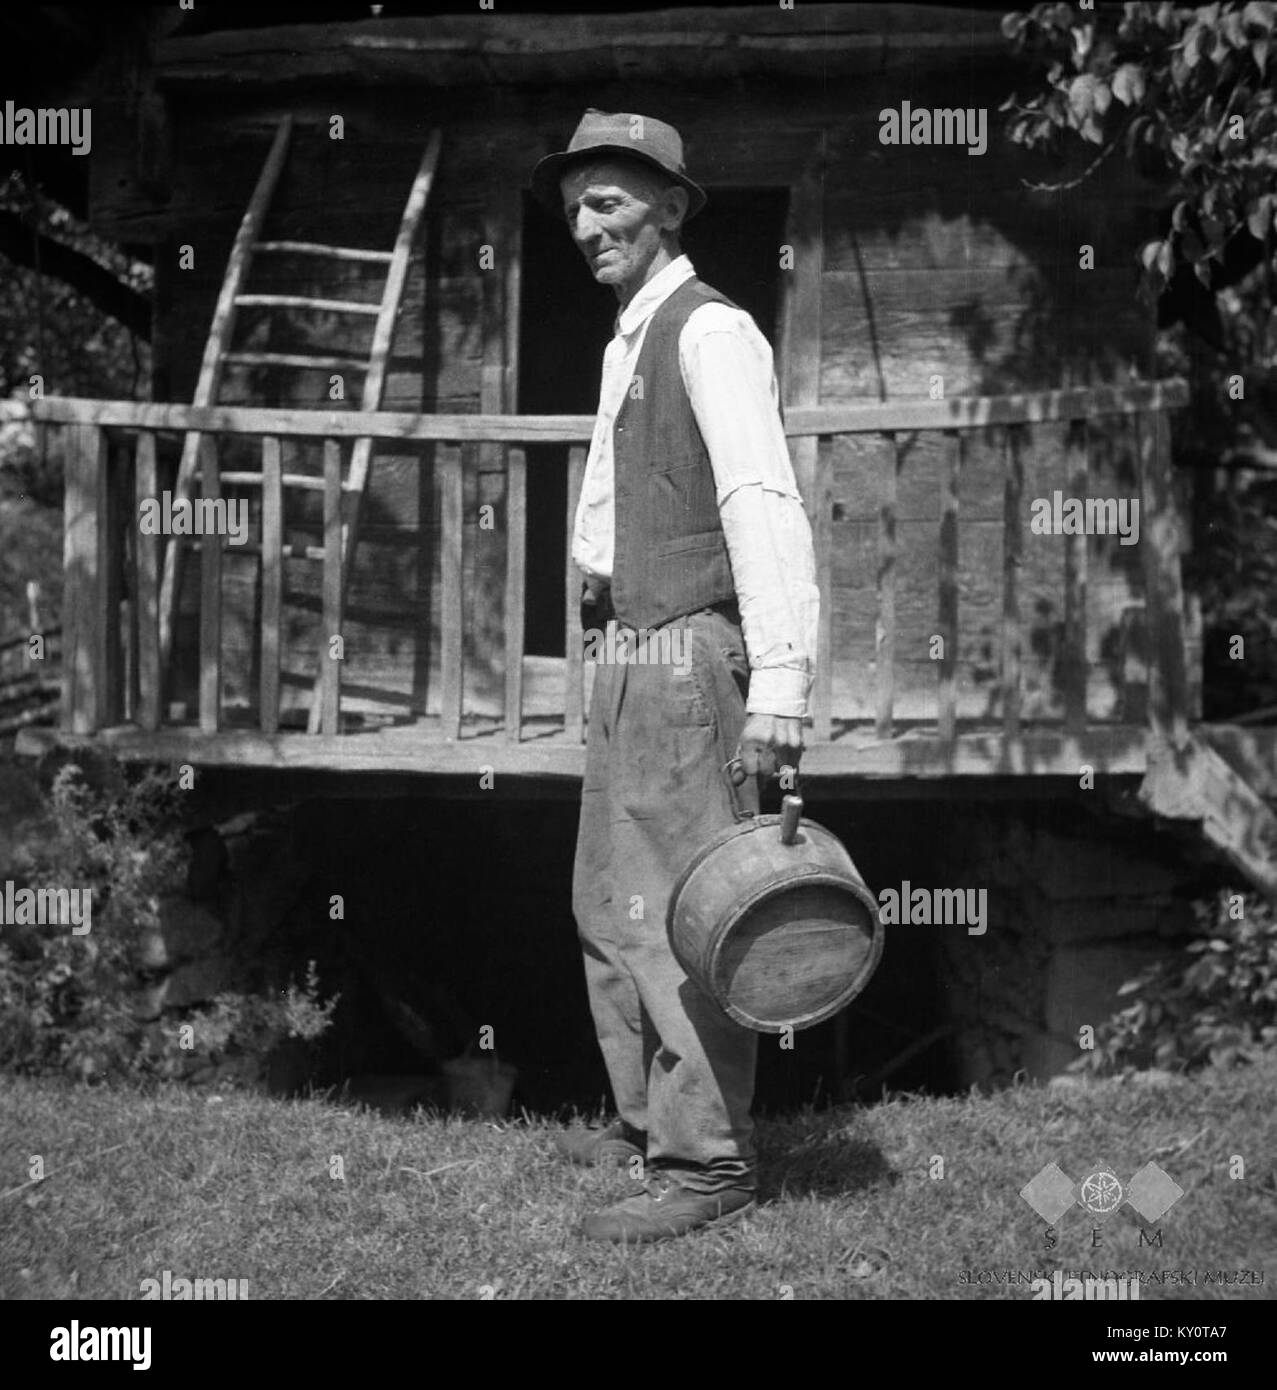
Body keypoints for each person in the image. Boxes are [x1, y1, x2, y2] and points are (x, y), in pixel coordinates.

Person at [530, 109, 819, 1242]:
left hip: (687, 653)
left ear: (669, 206)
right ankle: (652, 1134)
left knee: (678, 917)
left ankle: (706, 1165)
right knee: (606, 908)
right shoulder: (626, 337)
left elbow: (761, 502)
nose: (586, 228)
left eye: (607, 203)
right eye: (572, 212)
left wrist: (783, 687)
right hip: (625, 657)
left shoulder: (709, 333)